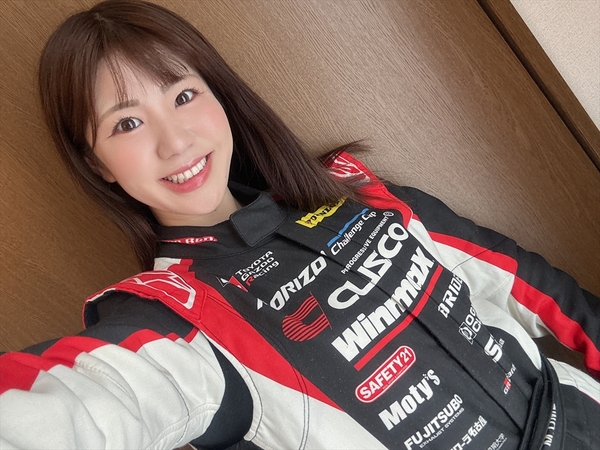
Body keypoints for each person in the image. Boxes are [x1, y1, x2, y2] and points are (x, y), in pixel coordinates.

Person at [0, 0, 598, 449]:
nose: (175, 141)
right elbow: (71, 406)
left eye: (183, 95)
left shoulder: (356, 189)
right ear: (96, 163)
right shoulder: (173, 321)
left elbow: (539, 288)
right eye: (126, 124)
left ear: (218, 96)